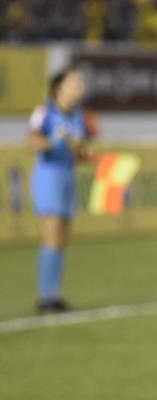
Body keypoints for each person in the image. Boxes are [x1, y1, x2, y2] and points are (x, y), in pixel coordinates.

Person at [27, 67, 91, 313]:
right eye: (75, 82)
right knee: (52, 235)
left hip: (67, 177)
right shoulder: (44, 113)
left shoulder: (78, 117)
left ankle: (53, 294)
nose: (80, 87)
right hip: (48, 178)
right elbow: (31, 143)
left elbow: (78, 152)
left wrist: (84, 154)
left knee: (61, 238)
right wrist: (53, 141)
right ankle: (45, 296)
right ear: (59, 87)